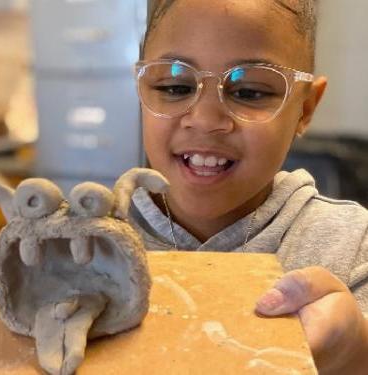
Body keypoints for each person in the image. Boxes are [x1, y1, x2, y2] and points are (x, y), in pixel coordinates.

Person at [129, 0, 368, 373]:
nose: (206, 120)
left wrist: (353, 352)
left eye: (250, 93)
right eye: (175, 86)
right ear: (141, 88)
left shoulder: (351, 246)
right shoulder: (78, 243)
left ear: (304, 109)